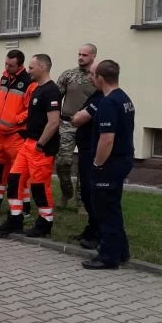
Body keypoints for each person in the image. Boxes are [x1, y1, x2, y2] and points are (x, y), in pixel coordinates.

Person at [0, 54, 61, 238]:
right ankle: (15, 219)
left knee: (39, 186)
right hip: (28, 143)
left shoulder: (51, 91)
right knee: (14, 180)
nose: (28, 71)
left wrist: (41, 143)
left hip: (40, 147)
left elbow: (53, 122)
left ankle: (45, 222)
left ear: (43, 68)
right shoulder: (37, 89)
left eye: (31, 68)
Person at [82, 60, 135, 270]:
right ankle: (121, 251)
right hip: (123, 159)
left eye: (94, 76)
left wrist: (97, 163)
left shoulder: (107, 103)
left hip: (109, 163)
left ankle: (108, 256)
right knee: (113, 207)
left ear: (100, 78)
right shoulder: (124, 99)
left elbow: (107, 139)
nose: (92, 79)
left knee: (105, 210)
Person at [0, 49, 36, 215]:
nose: (7, 67)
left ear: (20, 65)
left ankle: (24, 207)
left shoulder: (28, 82)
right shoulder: (5, 77)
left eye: (11, 65)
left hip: (16, 134)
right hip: (0, 132)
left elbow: (30, 109)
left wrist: (16, 120)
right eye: (6, 63)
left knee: (18, 172)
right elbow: (1, 101)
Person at [56, 44, 98, 209]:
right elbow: (55, 98)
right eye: (79, 54)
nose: (81, 57)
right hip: (67, 124)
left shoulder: (97, 77)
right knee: (63, 161)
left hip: (89, 125)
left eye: (85, 55)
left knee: (85, 164)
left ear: (93, 56)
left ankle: (82, 200)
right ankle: (67, 192)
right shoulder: (68, 75)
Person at [70, 62, 104, 249]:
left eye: (92, 74)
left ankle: (98, 233)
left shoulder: (101, 99)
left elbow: (78, 118)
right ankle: (91, 228)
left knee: (92, 195)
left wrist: (77, 117)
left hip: (92, 151)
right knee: (86, 193)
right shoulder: (96, 95)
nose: (89, 77)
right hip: (85, 149)